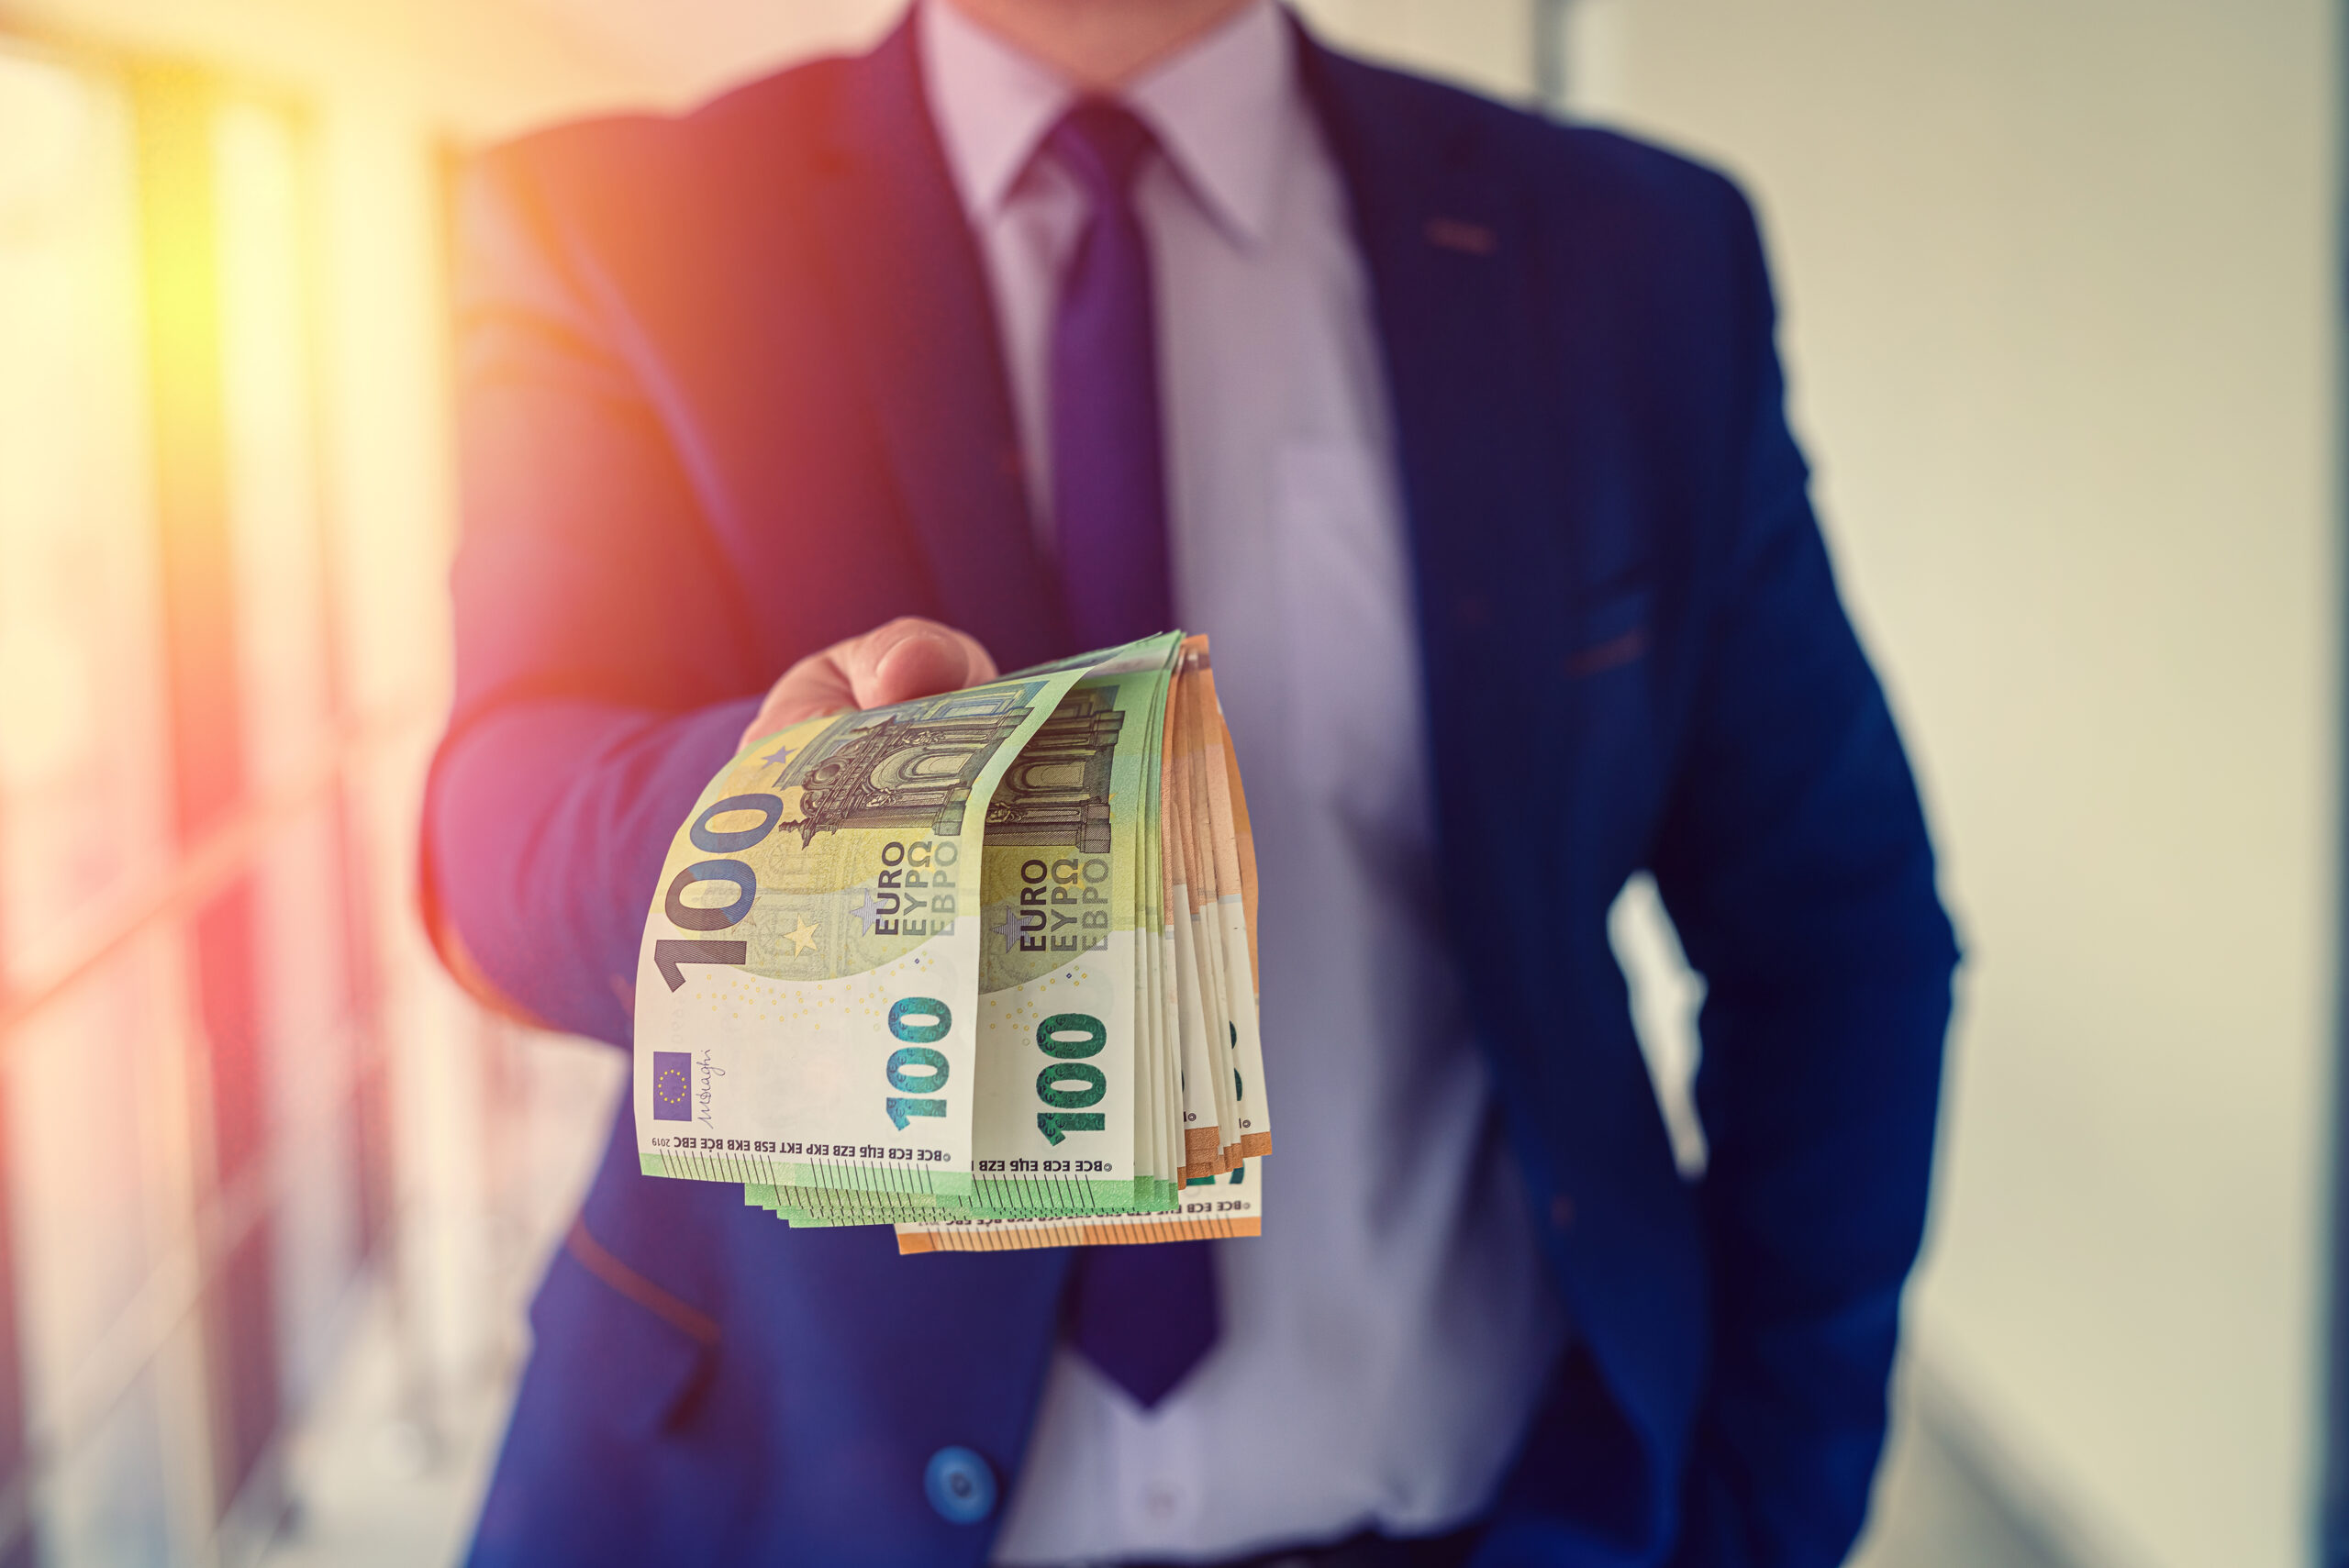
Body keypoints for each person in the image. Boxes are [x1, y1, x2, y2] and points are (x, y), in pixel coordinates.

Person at [423, 0, 1959, 1562]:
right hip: (786, 1507)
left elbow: (1834, 926)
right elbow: (499, 813)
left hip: (1483, 1507)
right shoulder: (620, 226)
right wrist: (758, 841)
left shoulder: (1631, 258)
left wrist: (1764, 1505)